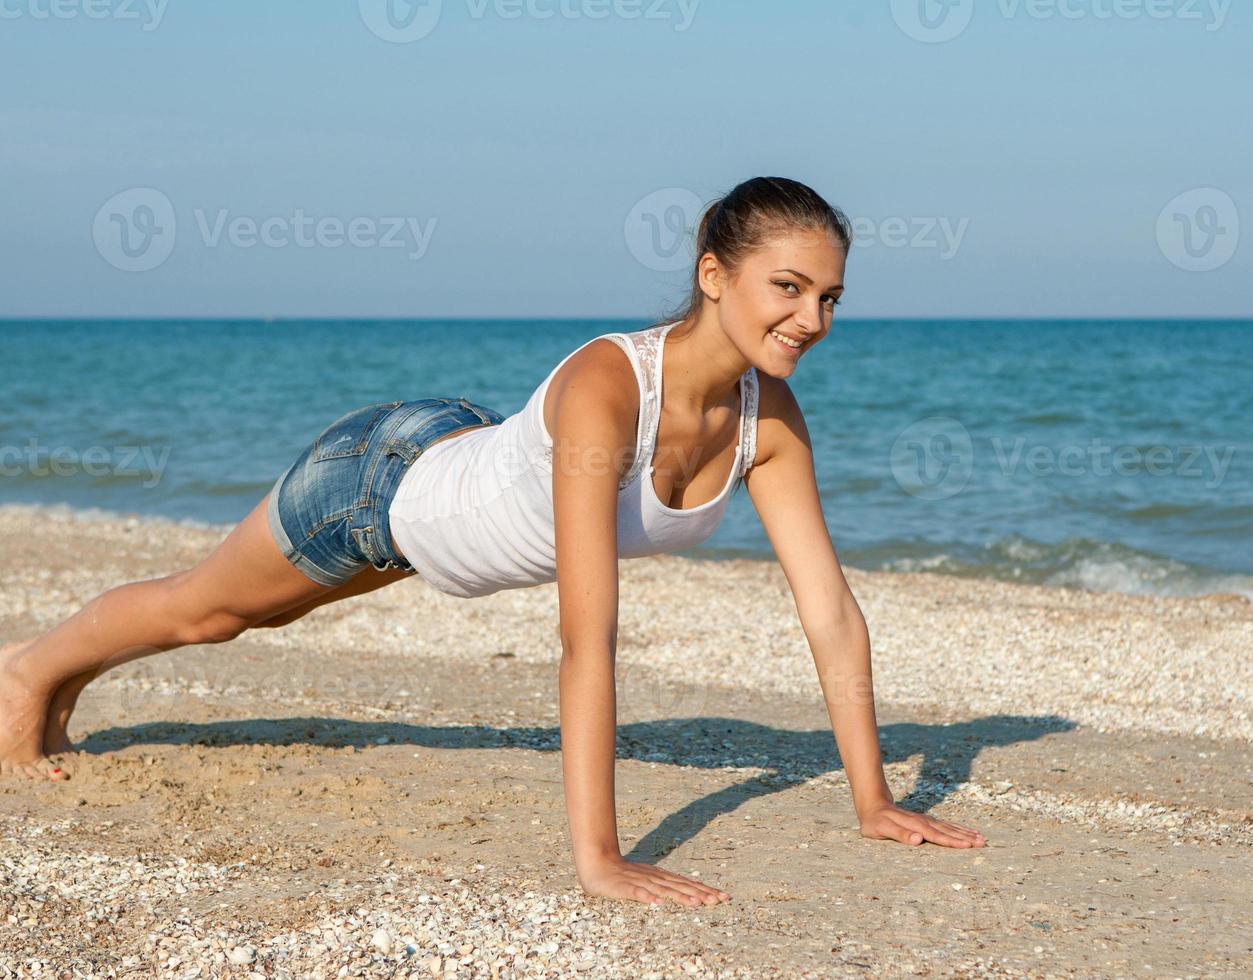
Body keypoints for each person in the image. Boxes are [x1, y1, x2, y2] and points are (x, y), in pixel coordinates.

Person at [0, 176, 986, 907]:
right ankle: (27, 675)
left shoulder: (766, 414)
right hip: (380, 483)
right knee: (207, 612)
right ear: (712, 273)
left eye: (829, 297)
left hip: (457, 467)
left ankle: (55, 678)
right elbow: (586, 636)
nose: (810, 318)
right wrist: (599, 856)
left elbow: (829, 613)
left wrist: (873, 797)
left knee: (228, 617)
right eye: (788, 286)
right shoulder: (612, 389)